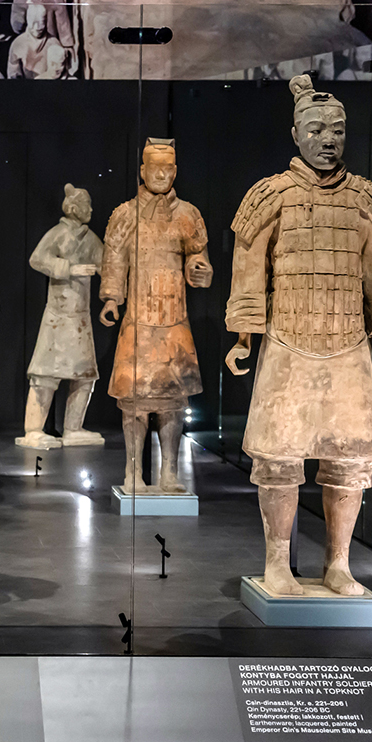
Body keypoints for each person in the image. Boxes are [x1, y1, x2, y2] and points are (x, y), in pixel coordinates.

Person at [224, 75, 372, 598]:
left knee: (349, 460)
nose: (328, 140)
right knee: (279, 459)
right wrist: (244, 335)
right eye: (316, 129)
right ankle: (277, 565)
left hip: (348, 343)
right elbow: (249, 268)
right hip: (288, 340)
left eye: (337, 131)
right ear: (295, 134)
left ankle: (338, 565)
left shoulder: (365, 199)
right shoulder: (270, 195)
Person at [101, 140, 212, 494]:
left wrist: (200, 270)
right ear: (142, 171)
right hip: (138, 320)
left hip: (175, 321)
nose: (161, 175)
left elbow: (198, 255)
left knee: (172, 403)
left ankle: (169, 474)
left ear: (175, 171)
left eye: (168, 168)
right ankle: (133, 473)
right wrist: (111, 298)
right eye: (155, 168)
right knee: (134, 402)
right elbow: (114, 259)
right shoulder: (124, 215)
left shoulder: (188, 214)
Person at [17, 183, 104, 449]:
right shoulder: (58, 233)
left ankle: (73, 428)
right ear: (74, 208)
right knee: (46, 374)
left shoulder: (90, 238)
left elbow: (108, 266)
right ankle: (33, 430)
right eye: (87, 205)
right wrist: (70, 269)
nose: (91, 210)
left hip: (81, 317)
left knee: (85, 374)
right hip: (57, 315)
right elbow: (37, 259)